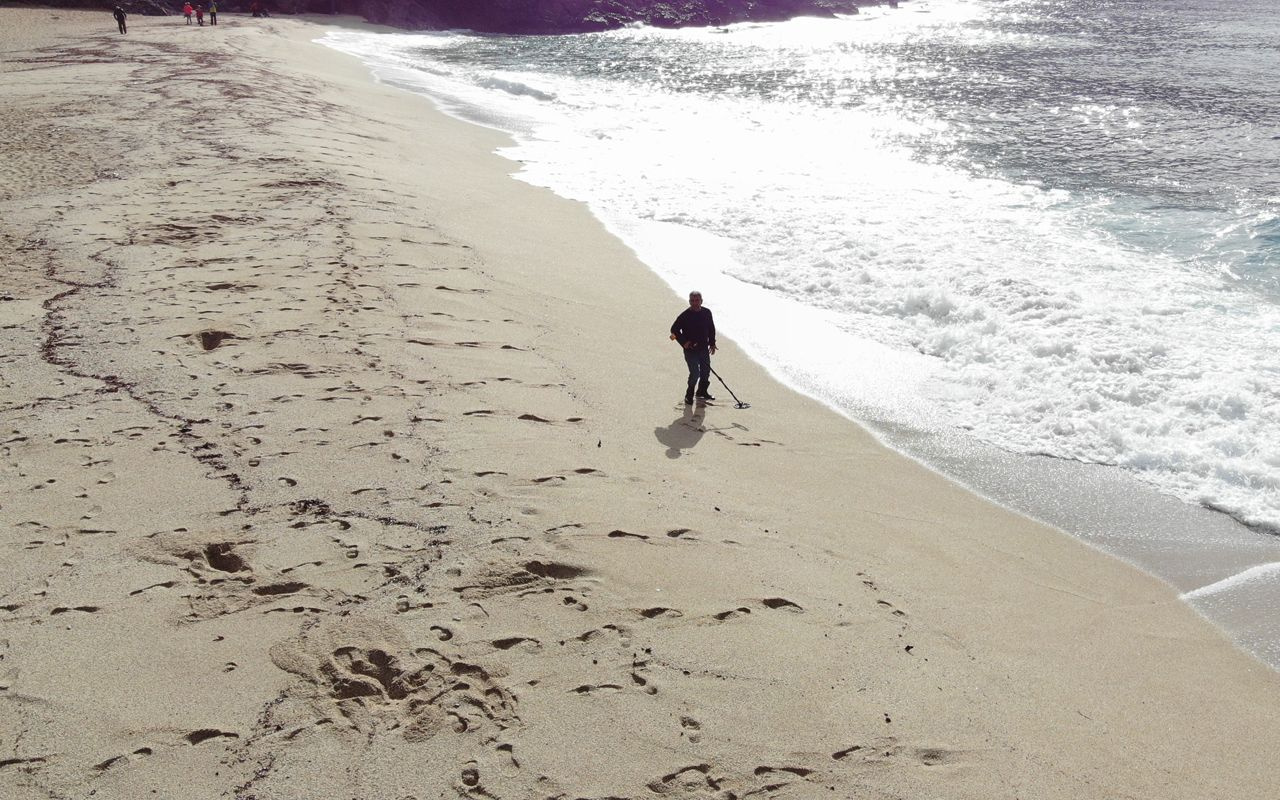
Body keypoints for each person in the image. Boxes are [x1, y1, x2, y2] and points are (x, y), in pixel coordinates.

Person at [669, 290, 717, 405]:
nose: (695, 303)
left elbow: (711, 328)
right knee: (695, 373)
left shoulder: (707, 312)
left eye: (697, 300)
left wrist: (712, 343)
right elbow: (674, 330)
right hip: (690, 350)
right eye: (692, 301)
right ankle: (689, 395)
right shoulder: (685, 315)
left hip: (704, 348)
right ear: (689, 301)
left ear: (701, 301)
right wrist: (684, 342)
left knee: (705, 372)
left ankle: (702, 392)